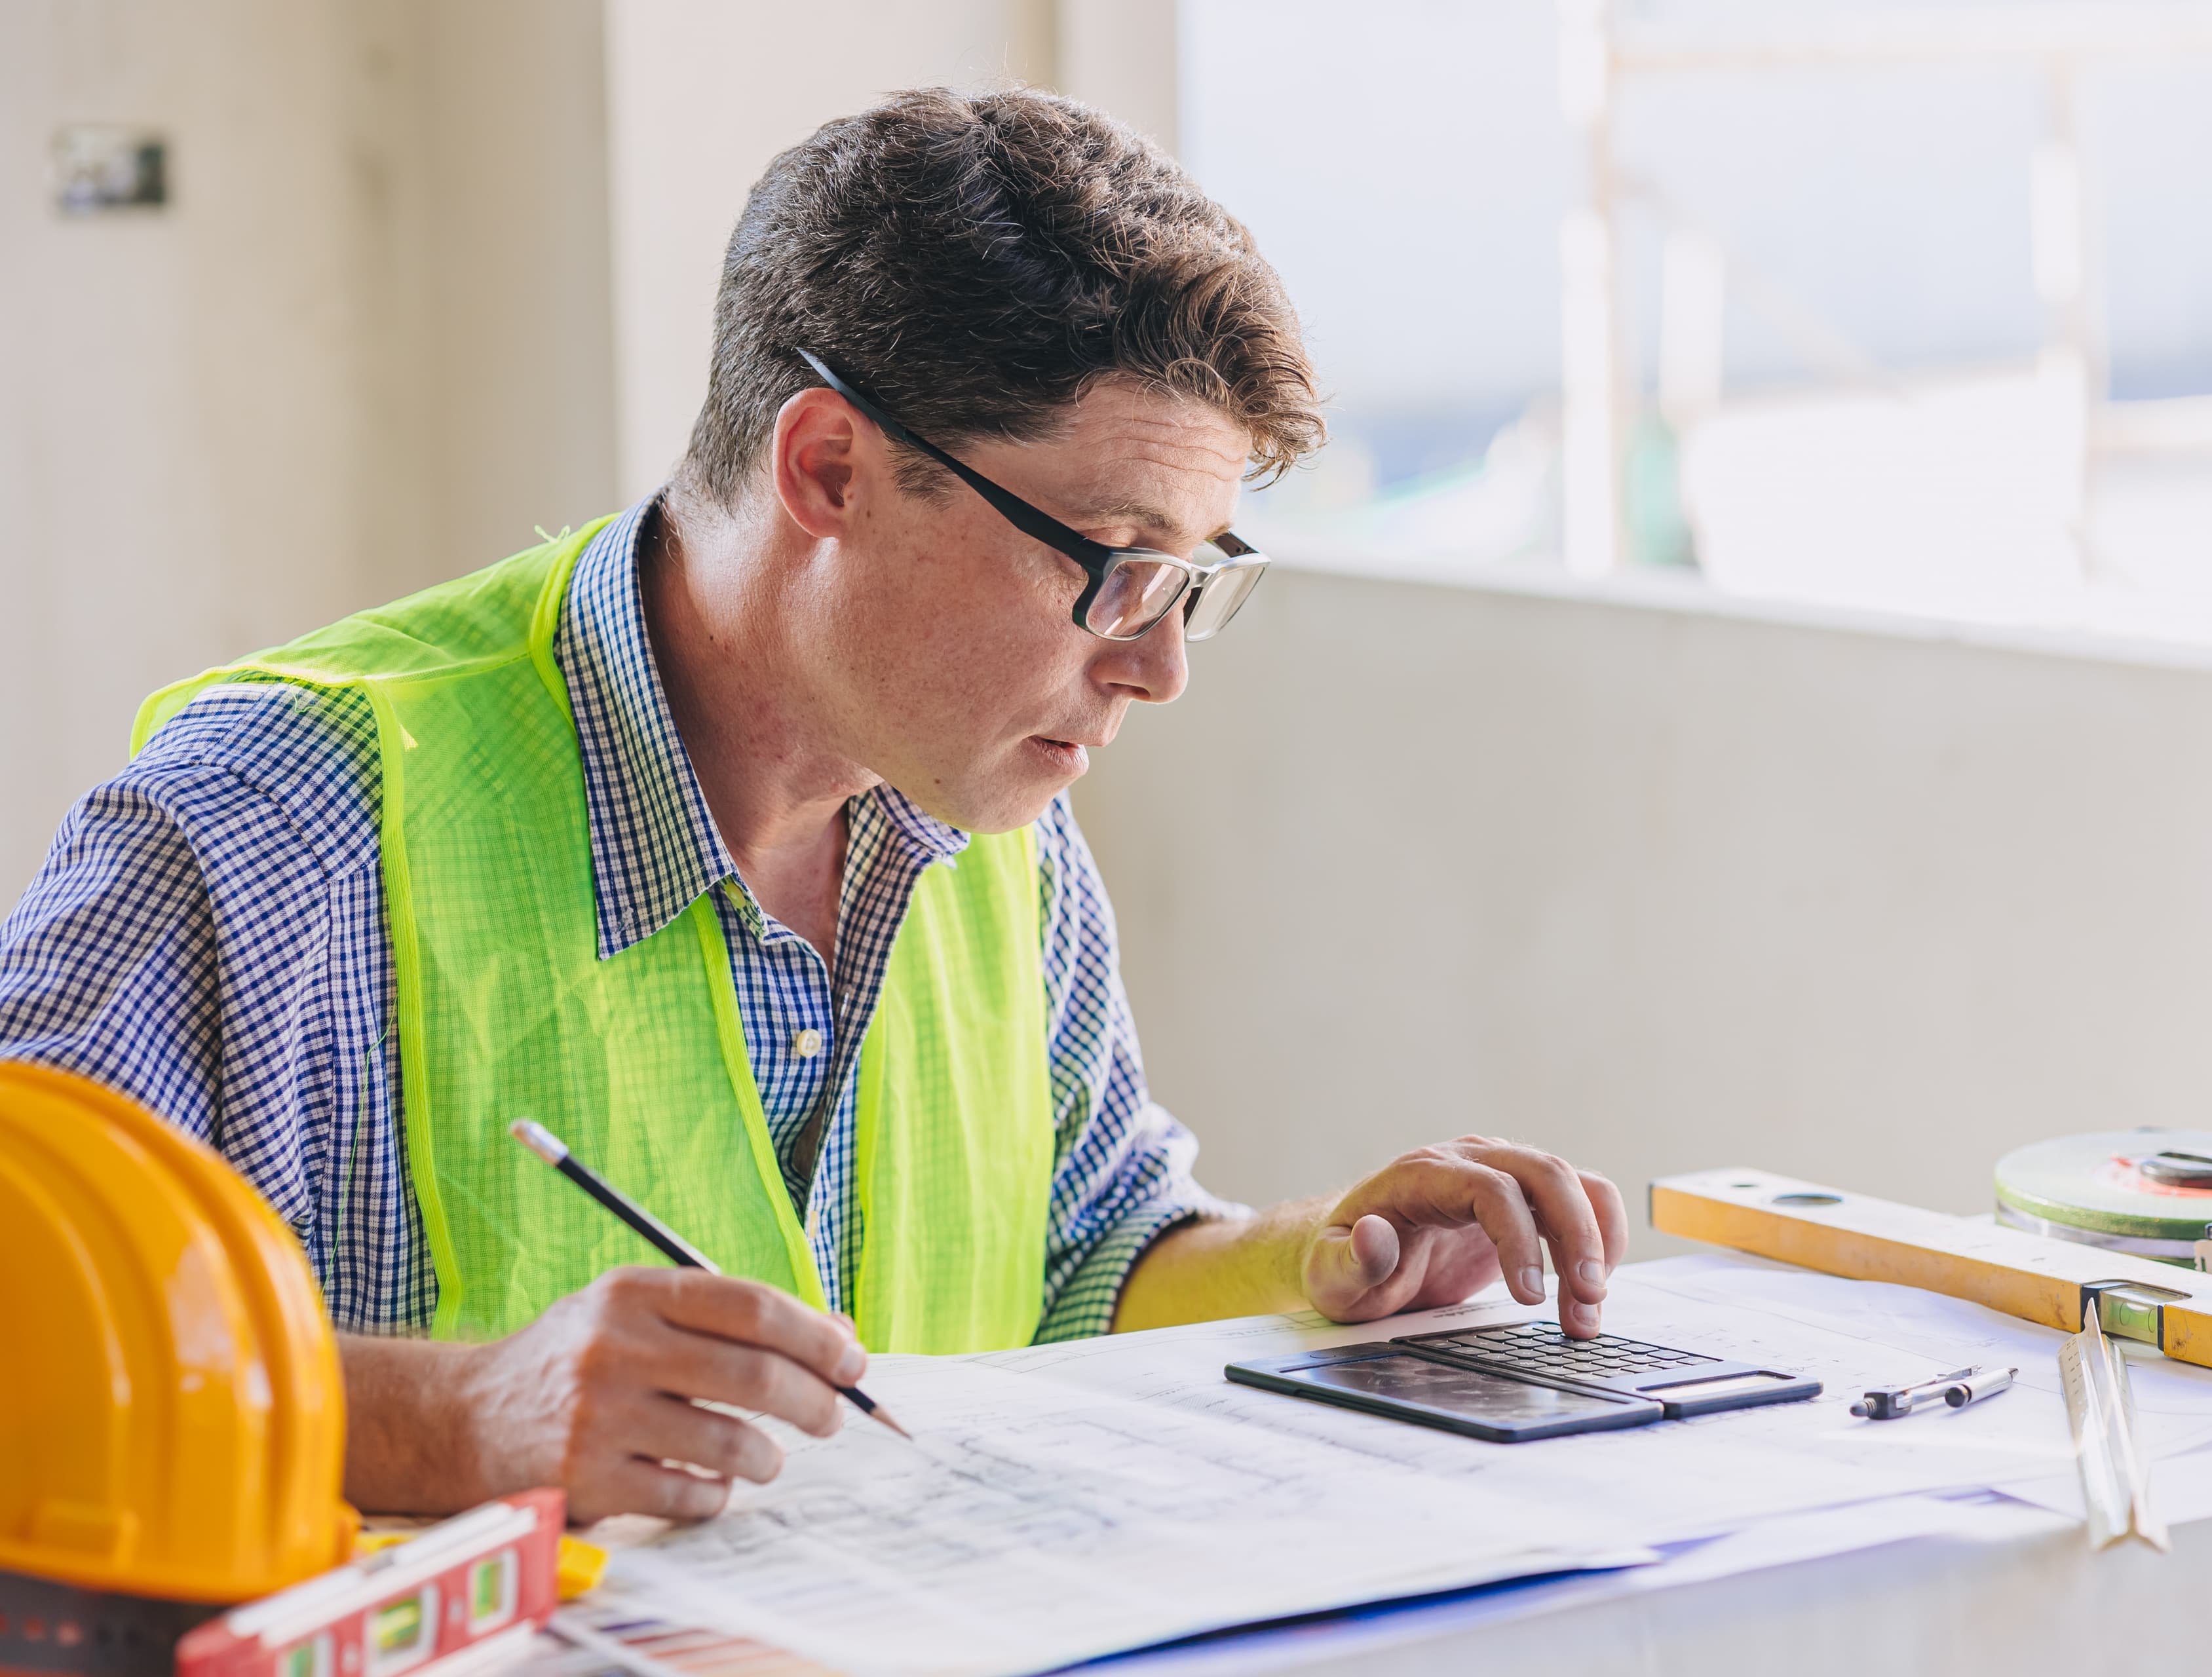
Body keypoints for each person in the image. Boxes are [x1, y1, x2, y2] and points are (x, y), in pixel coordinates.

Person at [0, 88, 1625, 1521]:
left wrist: (1321, 1261)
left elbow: (1075, 1263)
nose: (1156, 670)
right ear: (830, 469)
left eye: (1191, 585)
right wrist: (459, 1417)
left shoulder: (989, 818)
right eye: (1116, 568)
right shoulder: (271, 827)